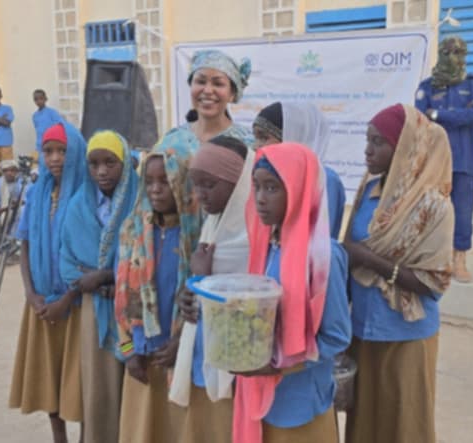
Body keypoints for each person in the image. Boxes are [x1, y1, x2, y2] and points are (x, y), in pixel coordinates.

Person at [341, 103, 454, 443]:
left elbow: (432, 282)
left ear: (405, 147)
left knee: (405, 424)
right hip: (363, 329)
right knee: (366, 423)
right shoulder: (369, 191)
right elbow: (348, 249)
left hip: (406, 334)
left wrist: (368, 259)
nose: (367, 150)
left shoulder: (433, 206)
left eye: (378, 142)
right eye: (367, 140)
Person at [231, 143, 351, 443]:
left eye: (272, 188)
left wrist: (280, 363)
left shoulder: (322, 255)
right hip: (259, 395)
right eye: (256, 186)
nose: (260, 198)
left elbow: (336, 336)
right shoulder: (267, 246)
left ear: (299, 189)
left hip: (299, 401)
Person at [48, 130, 138, 443]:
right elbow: (68, 262)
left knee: (133, 381)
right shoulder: (78, 206)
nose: (101, 171)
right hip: (94, 312)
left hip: (133, 310)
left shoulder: (139, 203)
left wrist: (106, 276)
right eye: (94, 163)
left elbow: (146, 256)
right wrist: (103, 278)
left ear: (125, 164)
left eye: (110, 163)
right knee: (99, 387)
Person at [114, 128, 201, 443]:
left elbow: (203, 307)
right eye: (148, 182)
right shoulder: (132, 234)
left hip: (182, 362)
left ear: (185, 181)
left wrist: (181, 346)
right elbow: (120, 309)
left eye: (165, 181)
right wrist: (128, 352)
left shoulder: (199, 240)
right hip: (142, 364)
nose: (155, 190)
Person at [173, 135, 255, 443]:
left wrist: (206, 279)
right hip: (201, 356)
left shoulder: (250, 239)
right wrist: (188, 295)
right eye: (197, 183)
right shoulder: (213, 225)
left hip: (235, 370)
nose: (200, 194)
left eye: (210, 184)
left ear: (238, 184)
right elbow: (196, 290)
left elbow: (250, 308)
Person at [9, 122, 86, 442]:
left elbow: (90, 256)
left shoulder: (86, 195)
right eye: (49, 151)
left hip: (77, 304)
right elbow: (25, 244)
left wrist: (66, 298)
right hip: (41, 302)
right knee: (50, 382)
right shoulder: (36, 192)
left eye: (62, 151)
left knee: (79, 382)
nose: (55, 158)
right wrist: (31, 293)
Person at [415, 36, 473, 284]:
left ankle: (460, 261)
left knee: (463, 213)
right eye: (451, 53)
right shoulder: (428, 86)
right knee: (432, 210)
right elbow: (420, 117)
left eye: (460, 53)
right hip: (435, 160)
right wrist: (450, 115)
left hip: (464, 161)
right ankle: (435, 258)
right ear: (442, 54)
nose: (456, 58)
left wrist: (438, 114)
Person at [253, 102, 346, 238]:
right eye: (255, 138)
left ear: (291, 137)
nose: (256, 146)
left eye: (263, 137)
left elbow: (319, 238)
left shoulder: (324, 179)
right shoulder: (266, 175)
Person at [182, 50, 254, 146]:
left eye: (218, 84)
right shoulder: (172, 141)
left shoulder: (248, 143)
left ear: (232, 94)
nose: (208, 90)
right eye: (201, 82)